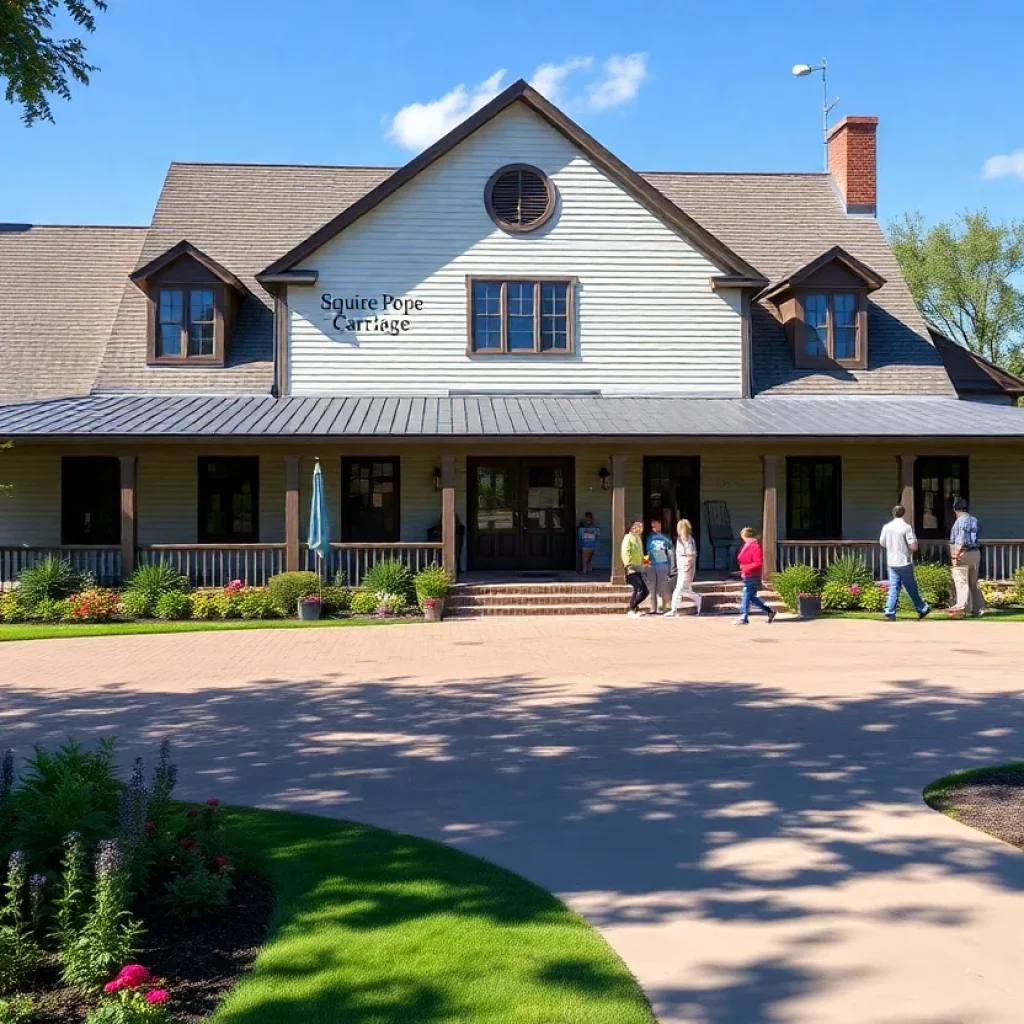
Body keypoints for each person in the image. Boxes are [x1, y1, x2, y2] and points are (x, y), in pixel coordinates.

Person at [879, 504, 930, 620]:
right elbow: (913, 546)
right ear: (903, 513)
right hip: (904, 561)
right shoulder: (906, 527)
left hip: (892, 561)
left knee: (893, 587)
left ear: (893, 513)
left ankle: (890, 610)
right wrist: (915, 545)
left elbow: (882, 542)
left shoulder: (887, 527)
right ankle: (922, 608)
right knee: (911, 586)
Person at [949, 497, 985, 617]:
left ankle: (961, 606)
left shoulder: (960, 521)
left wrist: (956, 554)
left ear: (955, 509)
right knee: (973, 583)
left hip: (963, 553)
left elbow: (961, 538)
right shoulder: (974, 520)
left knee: (961, 581)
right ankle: (977, 609)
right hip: (975, 553)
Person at [735, 527, 776, 625]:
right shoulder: (747, 545)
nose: (742, 539)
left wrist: (745, 567)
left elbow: (758, 562)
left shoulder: (755, 547)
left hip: (752, 574)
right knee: (752, 597)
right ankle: (769, 611)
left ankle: (743, 617)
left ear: (747, 536)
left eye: (743, 537)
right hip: (747, 574)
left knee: (746, 595)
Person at [668, 518, 702, 616]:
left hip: (686, 568)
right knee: (685, 590)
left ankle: (673, 610)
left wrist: (688, 565)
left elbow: (691, 554)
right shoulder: (681, 540)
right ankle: (698, 598)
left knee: (678, 590)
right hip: (682, 568)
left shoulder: (688, 540)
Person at [620, 520, 649, 617]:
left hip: (639, 567)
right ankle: (632, 608)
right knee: (642, 589)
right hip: (631, 567)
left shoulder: (638, 539)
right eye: (638, 527)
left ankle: (634, 608)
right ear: (633, 528)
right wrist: (627, 564)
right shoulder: (628, 538)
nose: (641, 529)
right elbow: (625, 551)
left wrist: (646, 563)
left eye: (641, 527)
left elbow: (641, 553)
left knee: (639, 590)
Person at [645, 518, 673, 614]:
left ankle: (666, 607)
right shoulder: (649, 538)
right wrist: (646, 566)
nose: (654, 528)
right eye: (652, 526)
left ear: (660, 524)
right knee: (652, 588)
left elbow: (670, 551)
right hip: (652, 565)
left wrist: (671, 567)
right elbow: (646, 552)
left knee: (663, 587)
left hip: (663, 564)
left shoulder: (666, 537)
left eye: (656, 525)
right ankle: (653, 608)